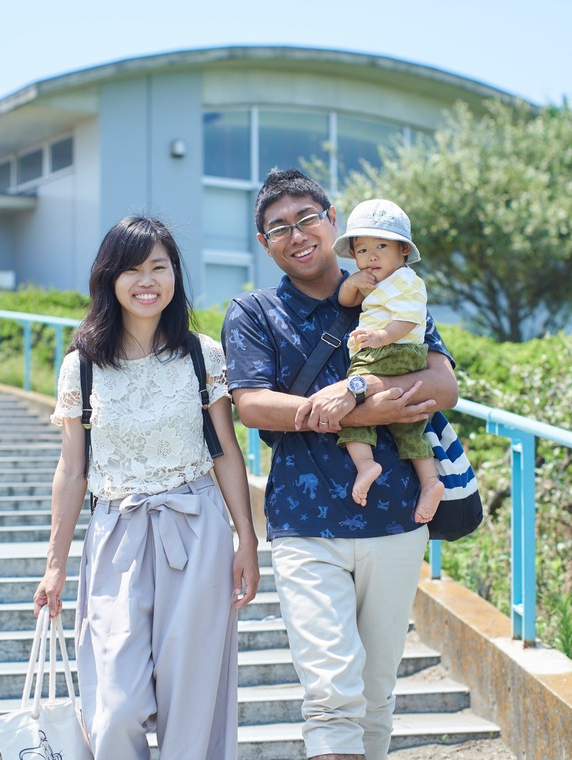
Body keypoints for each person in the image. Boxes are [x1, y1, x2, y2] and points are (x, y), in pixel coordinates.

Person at [222, 169, 458, 760]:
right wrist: (349, 408)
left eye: (307, 219)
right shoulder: (254, 313)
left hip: (397, 517)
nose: (297, 235)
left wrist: (353, 394)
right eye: (279, 228)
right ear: (264, 244)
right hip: (304, 525)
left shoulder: (392, 289)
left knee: (375, 695)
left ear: (332, 222)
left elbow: (443, 385)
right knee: (331, 693)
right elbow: (252, 405)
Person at [33, 215, 260, 760]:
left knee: (194, 706)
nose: (147, 281)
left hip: (197, 529)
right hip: (116, 535)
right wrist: (54, 564)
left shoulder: (201, 354)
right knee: (115, 708)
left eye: (159, 267)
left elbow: (225, 452)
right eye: (132, 269)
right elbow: (71, 470)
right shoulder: (82, 366)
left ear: (175, 274)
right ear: (109, 278)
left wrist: (247, 540)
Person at [323, 198, 444, 520]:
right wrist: (352, 283)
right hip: (390, 353)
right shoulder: (375, 281)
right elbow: (345, 301)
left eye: (381, 246)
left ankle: (366, 464)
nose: (372, 256)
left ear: (403, 249)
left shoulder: (407, 281)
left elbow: (409, 320)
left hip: (391, 351)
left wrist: (380, 337)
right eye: (362, 250)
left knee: (353, 409)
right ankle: (430, 481)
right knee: (409, 427)